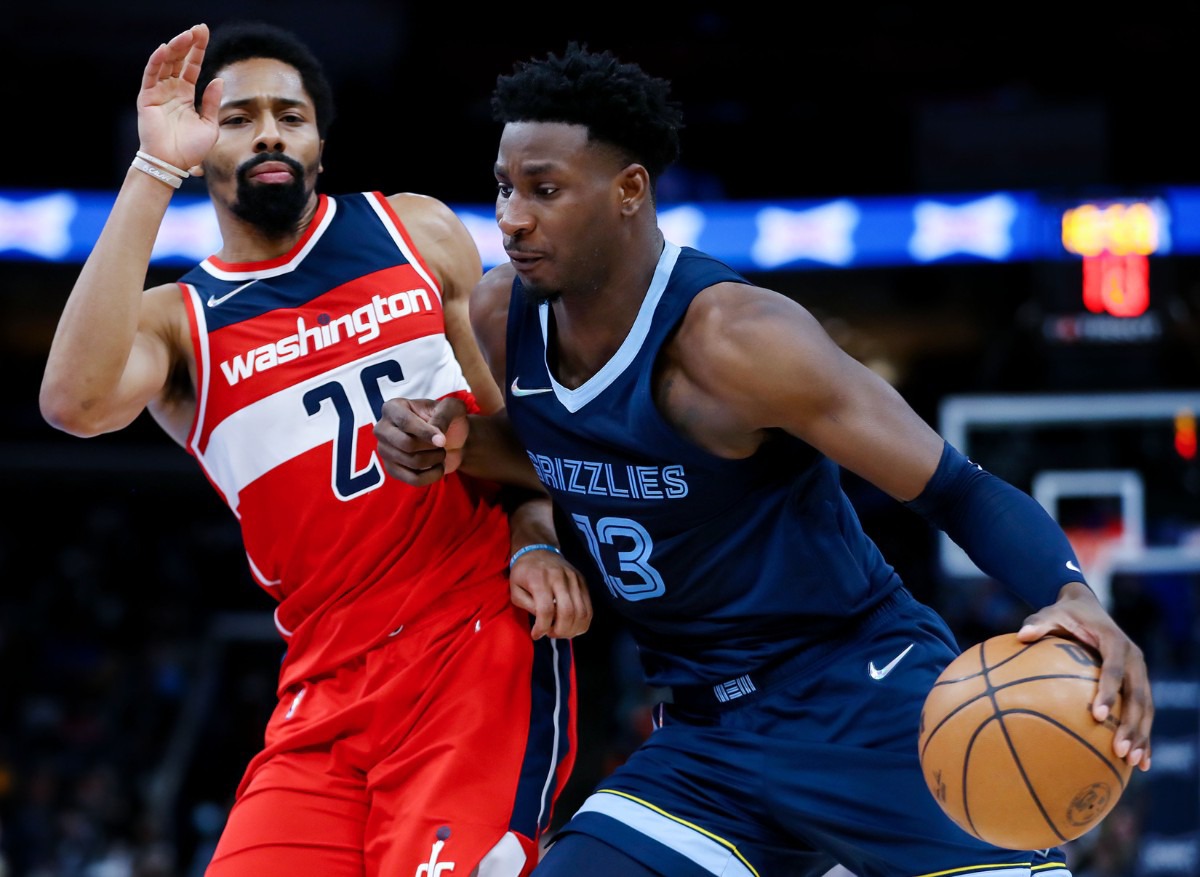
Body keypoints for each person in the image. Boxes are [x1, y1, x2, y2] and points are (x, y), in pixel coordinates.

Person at [372, 43, 1156, 877]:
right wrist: (436, 447)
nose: (512, 217)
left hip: (866, 703)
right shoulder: (501, 318)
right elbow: (514, 460)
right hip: (707, 739)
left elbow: (958, 489)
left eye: (544, 189)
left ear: (630, 190)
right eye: (503, 187)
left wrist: (1075, 595)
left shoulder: (740, 342)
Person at [39, 21, 592, 877]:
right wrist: (153, 169)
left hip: (468, 640)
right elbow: (71, 403)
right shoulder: (175, 323)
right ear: (202, 148)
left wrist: (535, 535)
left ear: (320, 146)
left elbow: (526, 444)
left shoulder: (417, 234)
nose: (268, 131)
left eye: (289, 116)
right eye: (237, 118)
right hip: (322, 691)